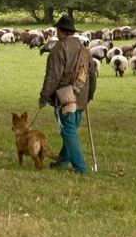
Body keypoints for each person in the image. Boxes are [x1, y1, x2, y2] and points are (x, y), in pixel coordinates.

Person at [38, 15, 96, 174]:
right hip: (82, 95)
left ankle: (80, 168)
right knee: (70, 130)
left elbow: (53, 76)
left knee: (68, 132)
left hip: (65, 97)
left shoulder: (59, 48)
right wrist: (90, 94)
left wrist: (44, 96)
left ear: (59, 31)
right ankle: (62, 161)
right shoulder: (84, 48)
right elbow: (92, 74)